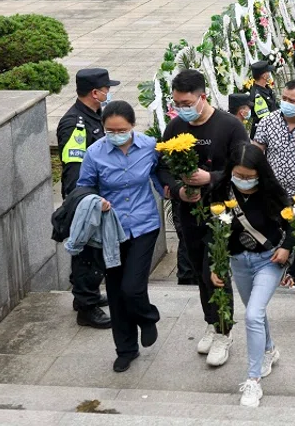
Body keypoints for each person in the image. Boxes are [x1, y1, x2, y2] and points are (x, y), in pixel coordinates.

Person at [157, 70, 251, 367]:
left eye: (186, 102)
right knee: (199, 269)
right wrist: (179, 190)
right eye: (176, 103)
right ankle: (212, 322)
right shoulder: (175, 127)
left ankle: (225, 331)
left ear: (202, 97)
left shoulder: (230, 126)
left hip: (223, 212)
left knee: (216, 269)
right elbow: (162, 167)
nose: (181, 108)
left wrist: (210, 177)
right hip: (188, 213)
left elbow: (246, 167)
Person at [77, 101, 163, 372]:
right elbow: (84, 187)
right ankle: (126, 349)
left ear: (133, 127)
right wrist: (95, 201)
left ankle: (147, 317)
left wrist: (174, 190)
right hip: (111, 229)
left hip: (144, 224)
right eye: (109, 130)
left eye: (121, 130)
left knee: (132, 287)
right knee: (115, 290)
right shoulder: (94, 153)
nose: (115, 135)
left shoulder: (149, 146)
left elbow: (161, 174)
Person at [210, 143, 293, 407]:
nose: (243, 181)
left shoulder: (272, 193)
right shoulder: (222, 191)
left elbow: (294, 225)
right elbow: (213, 230)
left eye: (249, 176)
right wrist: (216, 264)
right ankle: (269, 349)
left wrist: (286, 248)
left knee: (252, 315)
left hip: (267, 260)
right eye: (239, 175)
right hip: (237, 260)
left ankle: (253, 381)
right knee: (254, 313)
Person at [56, 68, 118, 329]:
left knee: (94, 253)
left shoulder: (95, 116)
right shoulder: (75, 124)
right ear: (95, 92)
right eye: (106, 88)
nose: (108, 92)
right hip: (87, 199)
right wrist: (84, 201)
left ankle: (85, 295)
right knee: (87, 254)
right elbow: (74, 168)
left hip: (98, 195)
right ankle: (86, 307)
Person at [253, 80, 295, 199]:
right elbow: (256, 153)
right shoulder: (268, 121)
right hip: (274, 192)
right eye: (284, 98)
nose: (286, 103)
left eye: (292, 101)